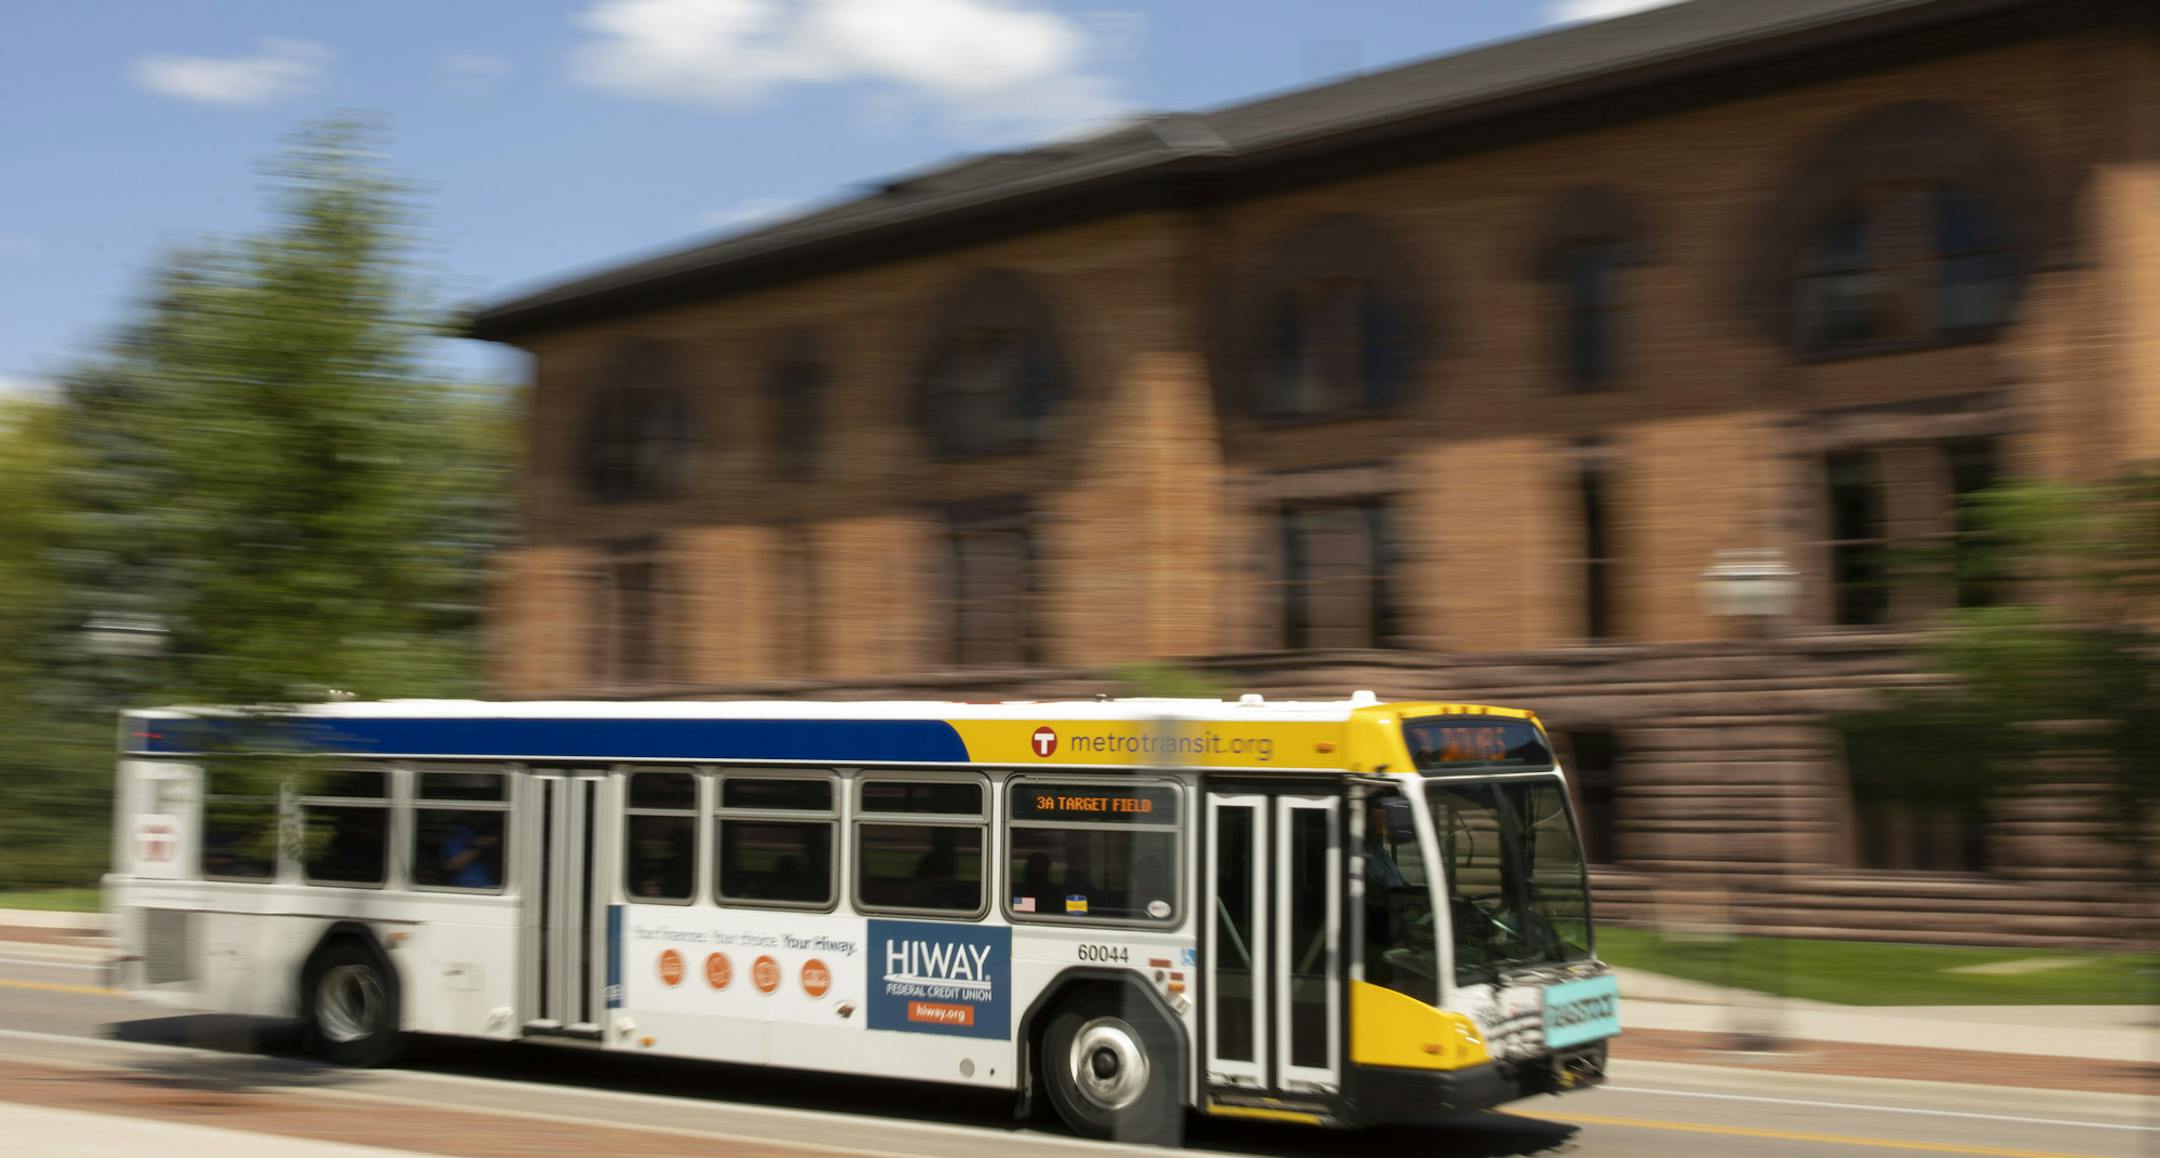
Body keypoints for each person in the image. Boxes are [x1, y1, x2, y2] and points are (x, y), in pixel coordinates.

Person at [440, 822, 500, 889]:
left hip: (493, 888)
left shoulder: (498, 830)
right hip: (469, 890)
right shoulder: (461, 832)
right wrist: (478, 846)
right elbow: (453, 865)